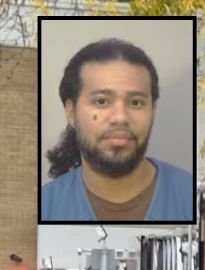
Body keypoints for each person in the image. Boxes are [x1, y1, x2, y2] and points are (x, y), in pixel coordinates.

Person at [41, 38, 193, 222]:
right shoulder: (45, 207)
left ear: (153, 110)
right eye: (101, 101)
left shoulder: (195, 202)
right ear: (71, 112)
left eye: (135, 102)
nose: (120, 117)